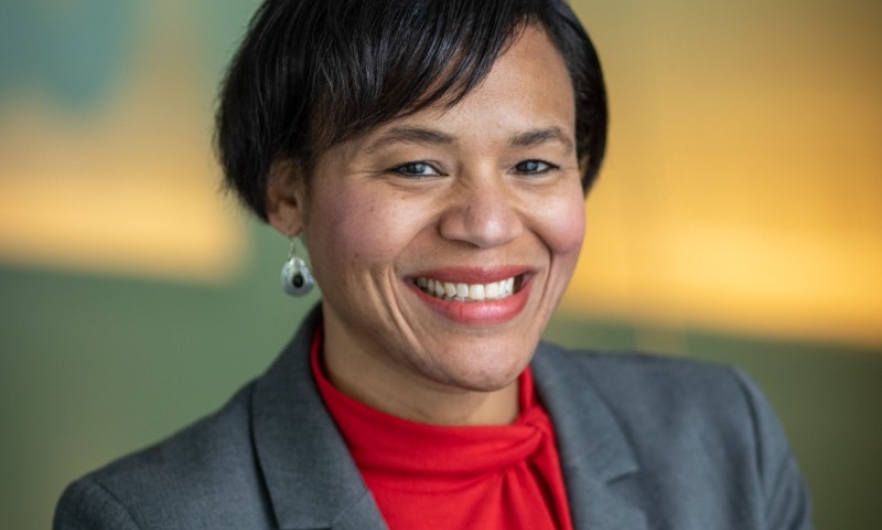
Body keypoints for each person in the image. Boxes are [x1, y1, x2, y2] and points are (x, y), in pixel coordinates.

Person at [54, 0, 813, 528]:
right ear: (287, 194)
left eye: (534, 165)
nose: (485, 225)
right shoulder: (147, 518)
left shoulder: (722, 437)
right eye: (417, 167)